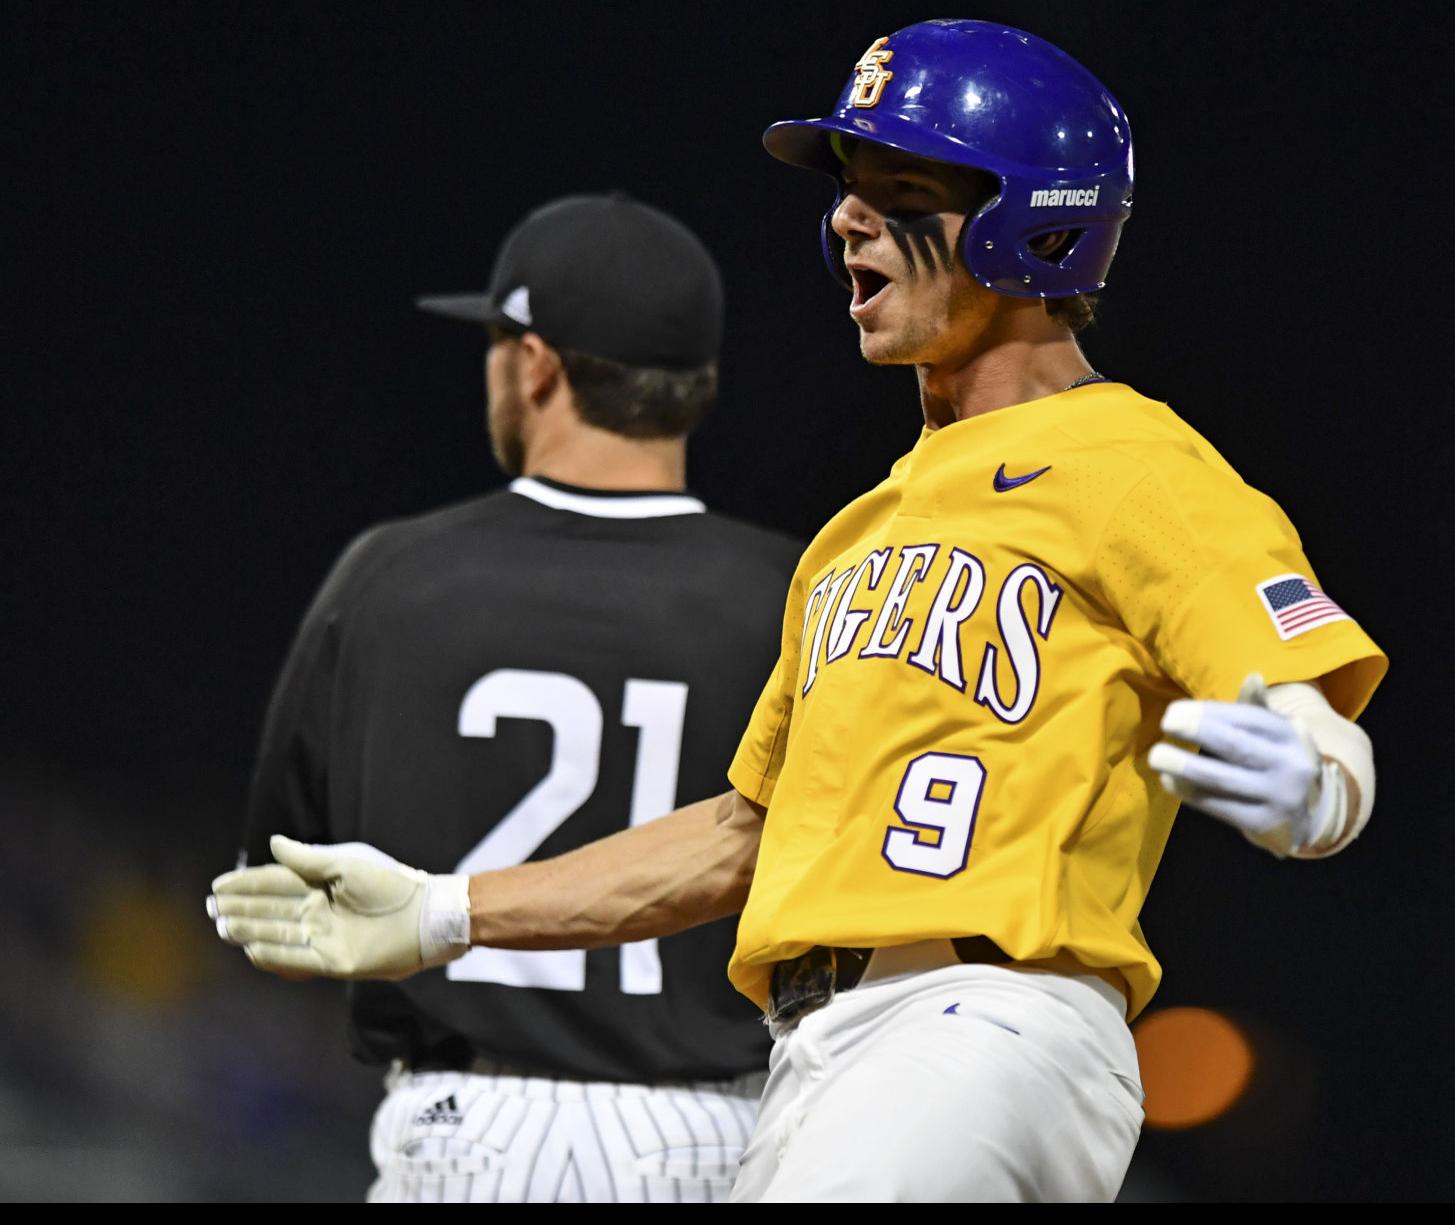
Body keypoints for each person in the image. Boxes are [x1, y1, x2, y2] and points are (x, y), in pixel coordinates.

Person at [211, 21, 1386, 1203]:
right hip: (818, 1054)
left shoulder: (1134, 464)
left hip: (982, 1019)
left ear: (1032, 225)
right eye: (850, 192)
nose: (846, 220)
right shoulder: (859, 530)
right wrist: (442, 910)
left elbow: (1305, 705)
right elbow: (744, 833)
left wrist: (1317, 781)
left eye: (901, 189)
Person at [227, 194, 801, 1202]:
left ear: (535, 363)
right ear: (696, 382)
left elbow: (280, 918)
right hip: (724, 1129)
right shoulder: (798, 595)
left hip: (469, 1127)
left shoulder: (390, 577)